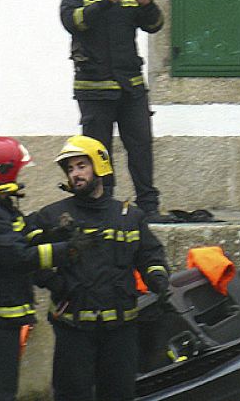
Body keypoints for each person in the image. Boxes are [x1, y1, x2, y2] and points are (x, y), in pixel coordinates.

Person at [30, 135, 170, 401]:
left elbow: (150, 255)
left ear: (100, 166)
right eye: (70, 168)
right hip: (73, 331)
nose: (75, 174)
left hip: (120, 332)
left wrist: (158, 279)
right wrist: (54, 282)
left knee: (119, 395)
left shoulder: (130, 216)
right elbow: (27, 258)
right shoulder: (51, 216)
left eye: (81, 166)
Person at [0, 137, 88, 401]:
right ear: (6, 173)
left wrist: (53, 234)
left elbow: (16, 235)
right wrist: (68, 250)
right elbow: (19, 257)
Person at [60, 0, 164, 217]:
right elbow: (74, 22)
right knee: (98, 152)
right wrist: (105, 2)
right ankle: (103, 206)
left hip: (131, 89)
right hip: (94, 91)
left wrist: (146, 3)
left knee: (141, 148)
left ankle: (148, 207)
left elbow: (154, 25)